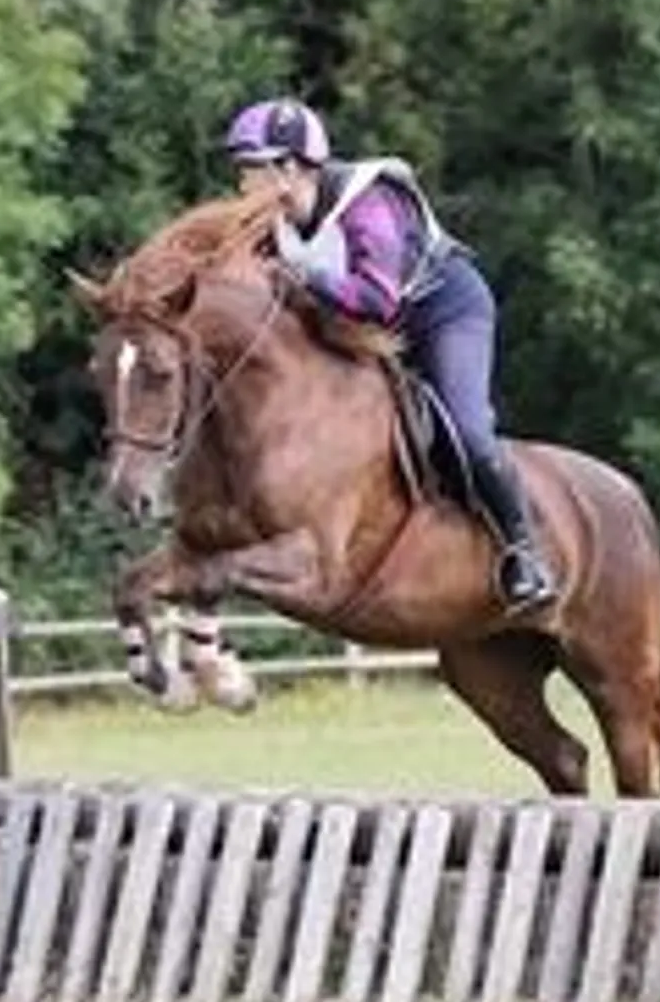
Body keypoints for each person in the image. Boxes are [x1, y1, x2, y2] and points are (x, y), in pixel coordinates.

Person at [221, 96, 557, 615]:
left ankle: (524, 551)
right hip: (364, 333)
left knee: (466, 429)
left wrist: (305, 277)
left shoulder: (367, 202)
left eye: (251, 170)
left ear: (289, 169)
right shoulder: (273, 225)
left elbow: (378, 299)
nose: (242, 186)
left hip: (442, 313)